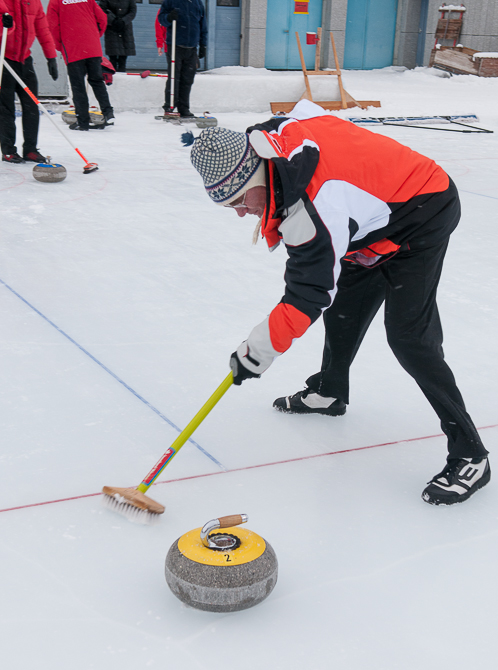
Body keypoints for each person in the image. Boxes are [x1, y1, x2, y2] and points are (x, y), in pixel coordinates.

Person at [186, 100, 491, 506]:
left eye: (240, 200)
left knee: (408, 337)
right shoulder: (269, 142)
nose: (242, 214)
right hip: (372, 214)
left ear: (255, 173)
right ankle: (330, 392)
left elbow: (308, 294)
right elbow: (309, 114)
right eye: (231, 208)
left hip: (425, 208)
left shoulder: (316, 206)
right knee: (346, 301)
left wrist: (256, 352)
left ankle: (471, 455)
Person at [0, 3, 58, 163]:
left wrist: (51, 56)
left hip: (25, 59)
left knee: (32, 105)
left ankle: (31, 150)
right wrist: (5, 26)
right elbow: (4, 28)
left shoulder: (34, 2)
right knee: (5, 108)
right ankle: (8, 151)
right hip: (4, 60)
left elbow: (42, 28)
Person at [47, 0, 115, 131]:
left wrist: (60, 45)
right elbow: (102, 19)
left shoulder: (55, 2)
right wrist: (95, 35)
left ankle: (82, 121)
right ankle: (108, 112)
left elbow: (52, 26)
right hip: (93, 47)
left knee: (78, 86)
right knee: (97, 81)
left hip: (72, 48)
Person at [157, 0, 206, 118]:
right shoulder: (171, 1)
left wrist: (203, 44)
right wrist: (168, 18)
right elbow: (161, 19)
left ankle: (184, 108)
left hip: (191, 47)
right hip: (175, 45)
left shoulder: (197, 3)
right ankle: (170, 106)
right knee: (174, 77)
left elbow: (202, 25)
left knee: (188, 79)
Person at [98, 0, 136, 73]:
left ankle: (122, 75)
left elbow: (132, 11)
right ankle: (112, 76)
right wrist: (112, 20)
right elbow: (102, 9)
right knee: (113, 57)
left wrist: (124, 21)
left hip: (125, 28)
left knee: (123, 57)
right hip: (112, 28)